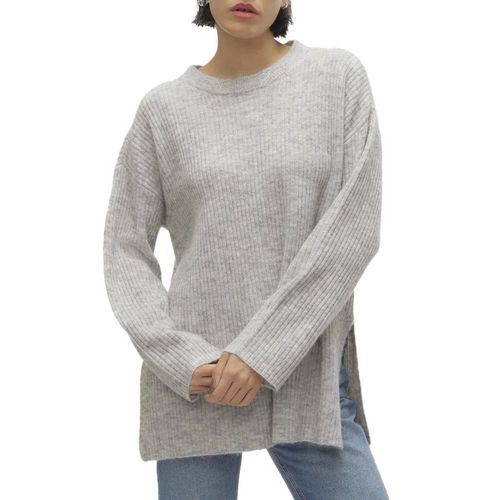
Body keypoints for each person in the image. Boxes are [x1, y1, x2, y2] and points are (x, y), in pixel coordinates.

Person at [103, 0, 389, 498]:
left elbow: (354, 229)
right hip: (198, 386)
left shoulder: (336, 78)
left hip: (305, 380)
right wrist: (178, 358)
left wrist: (261, 354)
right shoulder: (162, 111)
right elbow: (124, 248)